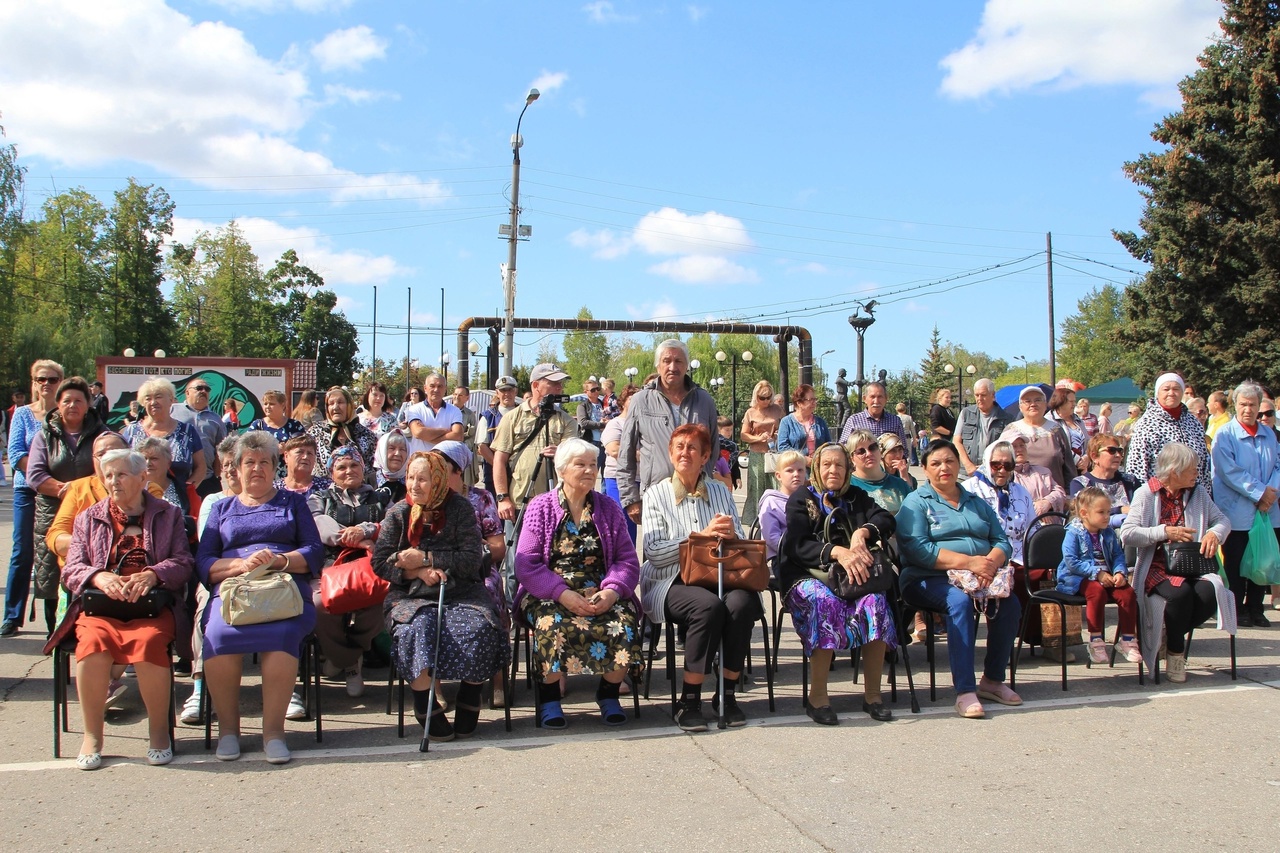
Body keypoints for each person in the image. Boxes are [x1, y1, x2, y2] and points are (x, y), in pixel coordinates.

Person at [54, 448, 193, 769]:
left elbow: (184, 562)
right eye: (108, 475)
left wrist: (153, 574)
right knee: (93, 646)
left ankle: (159, 732)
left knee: (147, 644)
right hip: (102, 607)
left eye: (121, 474)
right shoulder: (88, 517)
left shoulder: (167, 514)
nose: (113, 481)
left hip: (150, 606)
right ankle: (92, 735)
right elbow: (71, 569)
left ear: (143, 477)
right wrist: (99, 576)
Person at [196, 431, 325, 764]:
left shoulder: (293, 503)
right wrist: (240, 564)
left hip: (284, 588)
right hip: (235, 588)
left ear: (274, 468)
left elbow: (313, 550)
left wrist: (280, 560)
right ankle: (228, 731)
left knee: (282, 634)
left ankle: (274, 733)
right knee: (217, 634)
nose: (256, 469)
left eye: (264, 462)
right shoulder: (221, 508)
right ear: (236, 469)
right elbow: (204, 561)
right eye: (249, 462)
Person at [372, 451, 509, 741]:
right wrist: (415, 573)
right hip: (410, 595)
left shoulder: (459, 509)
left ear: (437, 480)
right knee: (416, 630)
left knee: (480, 628)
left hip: (462, 590)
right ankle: (424, 701)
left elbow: (472, 558)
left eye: (422, 479)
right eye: (410, 478)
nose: (414, 485)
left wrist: (426, 557)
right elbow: (380, 562)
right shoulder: (398, 513)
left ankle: (471, 692)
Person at [514, 437, 641, 728]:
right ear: (561, 470)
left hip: (599, 589)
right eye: (580, 464)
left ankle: (608, 694)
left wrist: (612, 591)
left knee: (624, 620)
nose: (588, 470)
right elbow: (526, 563)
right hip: (548, 591)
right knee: (550, 623)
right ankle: (549, 700)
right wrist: (561, 594)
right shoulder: (540, 507)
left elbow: (627, 559)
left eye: (592, 465)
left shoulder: (608, 507)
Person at [639, 424, 759, 731]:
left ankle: (727, 694)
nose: (684, 453)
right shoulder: (656, 494)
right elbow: (653, 552)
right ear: (670, 452)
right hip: (669, 580)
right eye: (679, 447)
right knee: (707, 607)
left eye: (693, 448)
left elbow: (742, 542)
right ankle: (689, 699)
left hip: (718, 575)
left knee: (743, 603)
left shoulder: (720, 490)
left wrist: (732, 535)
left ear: (706, 456)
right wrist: (698, 538)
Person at [897, 440, 1022, 719]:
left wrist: (989, 564)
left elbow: (1002, 540)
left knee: (1009, 604)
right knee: (959, 602)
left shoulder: (975, 501)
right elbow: (918, 549)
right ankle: (965, 690)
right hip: (927, 578)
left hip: (980, 576)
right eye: (936, 463)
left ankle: (992, 680)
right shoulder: (916, 502)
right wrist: (970, 563)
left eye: (950, 461)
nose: (944, 468)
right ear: (926, 470)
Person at [776, 442, 898, 724]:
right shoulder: (801, 498)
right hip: (807, 574)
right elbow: (796, 545)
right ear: (816, 467)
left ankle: (873, 696)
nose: (833, 470)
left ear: (848, 469)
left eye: (840, 465)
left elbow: (884, 519)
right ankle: (817, 698)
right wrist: (837, 551)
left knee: (875, 602)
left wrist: (863, 533)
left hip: (851, 577)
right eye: (827, 464)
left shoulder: (856, 496)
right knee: (825, 603)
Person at [1120, 443, 1232, 683]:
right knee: (1179, 596)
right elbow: (1128, 534)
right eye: (1192, 469)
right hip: (1156, 566)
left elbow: (1222, 520)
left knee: (1210, 591)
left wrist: (1214, 534)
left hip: (1191, 564)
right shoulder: (1146, 494)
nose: (1197, 473)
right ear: (1174, 471)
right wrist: (1164, 532)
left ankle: (1166, 635)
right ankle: (1175, 652)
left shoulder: (1198, 493)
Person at [308, 445, 393, 697]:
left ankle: (346, 657)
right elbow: (318, 523)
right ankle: (348, 659)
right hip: (331, 565)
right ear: (331, 472)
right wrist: (350, 539)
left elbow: (390, 523)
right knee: (319, 604)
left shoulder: (381, 497)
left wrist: (366, 531)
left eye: (354, 465)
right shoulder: (319, 497)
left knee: (385, 600)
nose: (348, 471)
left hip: (372, 567)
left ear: (363, 468)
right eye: (341, 467)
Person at [27, 377, 109, 632]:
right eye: (67, 401)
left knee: (93, 562)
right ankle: (55, 630)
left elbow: (111, 467)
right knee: (50, 573)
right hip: (52, 507)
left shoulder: (102, 433)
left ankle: (93, 625)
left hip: (94, 504)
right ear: (58, 405)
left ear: (88, 404)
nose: (72, 405)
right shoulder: (45, 435)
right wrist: (70, 490)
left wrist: (83, 490)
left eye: (78, 400)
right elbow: (36, 475)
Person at [617, 340, 719, 526]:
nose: (673, 367)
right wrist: (631, 499)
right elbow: (626, 454)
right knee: (658, 552)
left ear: (687, 366)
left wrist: (703, 477)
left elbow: (712, 449)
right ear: (658, 365)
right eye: (667, 361)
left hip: (696, 495)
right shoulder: (641, 401)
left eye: (679, 361)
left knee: (698, 550)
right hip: (656, 495)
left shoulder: (704, 400)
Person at [183, 434, 242, 724]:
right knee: (205, 609)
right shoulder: (213, 501)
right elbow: (210, 545)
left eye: (235, 464)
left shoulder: (267, 496)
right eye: (225, 465)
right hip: (220, 573)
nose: (230, 470)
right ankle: (199, 686)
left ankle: (290, 686)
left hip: (258, 573)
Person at [1211, 382, 1279, 627]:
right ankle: (1236, 609)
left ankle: (1256, 608)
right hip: (1237, 509)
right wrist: (1260, 493)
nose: (1248, 410)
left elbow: (1277, 465)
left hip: (1266, 511)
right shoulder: (1225, 434)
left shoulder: (1268, 433)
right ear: (1235, 405)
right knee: (1237, 562)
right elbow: (1229, 471)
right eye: (1243, 404)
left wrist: (1271, 492)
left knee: (1262, 560)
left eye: (1252, 405)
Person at [962, 441, 1038, 644]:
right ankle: (1001, 646)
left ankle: (1040, 639)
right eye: (996, 465)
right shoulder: (969, 490)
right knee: (1002, 586)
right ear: (987, 463)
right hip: (983, 558)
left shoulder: (1021, 492)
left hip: (1018, 557)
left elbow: (1032, 530)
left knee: (1041, 576)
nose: (1002, 470)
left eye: (1008, 465)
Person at [1057, 487, 1142, 664]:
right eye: (1101, 512)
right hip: (1077, 578)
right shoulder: (1073, 532)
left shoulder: (1108, 532)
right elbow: (1071, 561)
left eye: (1108, 512)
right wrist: (1097, 573)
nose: (1106, 517)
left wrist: (1119, 572)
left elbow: (1118, 555)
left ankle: (1127, 640)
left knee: (1127, 593)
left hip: (1107, 577)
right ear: (1084, 513)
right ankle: (1096, 640)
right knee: (1096, 591)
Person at [492, 363, 579, 521]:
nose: (560, 387)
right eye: (553, 383)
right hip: (520, 501)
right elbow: (499, 460)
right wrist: (502, 498)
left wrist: (560, 454)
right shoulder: (512, 418)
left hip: (557, 501)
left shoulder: (566, 421)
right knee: (519, 545)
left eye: (561, 383)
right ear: (536, 385)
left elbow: (574, 460)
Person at [1124, 373, 1211, 490]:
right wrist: (1145, 499)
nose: (1171, 393)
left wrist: (1206, 494)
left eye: (1176, 389)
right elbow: (1137, 467)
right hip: (1161, 497)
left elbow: (1204, 463)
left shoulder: (1193, 423)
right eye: (1166, 389)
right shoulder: (1146, 424)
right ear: (1157, 393)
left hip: (1194, 495)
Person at [121, 378, 206, 491]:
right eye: (148, 398)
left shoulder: (187, 432)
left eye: (158, 397)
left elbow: (201, 467)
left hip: (178, 501)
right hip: (138, 501)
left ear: (171, 399)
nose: (153, 402)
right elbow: (122, 466)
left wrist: (187, 491)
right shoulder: (132, 431)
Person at [999, 385, 1076, 491]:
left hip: (1054, 497)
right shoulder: (1010, 430)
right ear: (1020, 407)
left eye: (1038, 400)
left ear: (1045, 405)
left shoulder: (1056, 430)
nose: (1033, 404)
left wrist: (1069, 495)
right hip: (1017, 497)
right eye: (1027, 401)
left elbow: (1069, 468)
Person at [170, 377, 228, 499]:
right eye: (199, 388)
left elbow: (221, 449)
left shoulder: (216, 419)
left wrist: (217, 474)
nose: (203, 391)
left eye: (207, 389)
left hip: (207, 479)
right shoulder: (173, 410)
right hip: (175, 478)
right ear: (187, 392)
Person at [740, 380, 785, 527]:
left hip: (773, 454)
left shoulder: (777, 409)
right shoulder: (750, 412)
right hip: (757, 454)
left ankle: (777, 518)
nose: (766, 401)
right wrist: (758, 438)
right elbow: (743, 435)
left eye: (768, 397)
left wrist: (777, 435)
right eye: (762, 398)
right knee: (757, 487)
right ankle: (757, 521)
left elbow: (785, 428)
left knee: (776, 485)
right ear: (756, 397)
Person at [1069, 433, 1139, 526]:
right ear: (1094, 456)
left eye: (1120, 451)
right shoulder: (1081, 484)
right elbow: (1084, 517)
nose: (1118, 455)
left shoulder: (1130, 481)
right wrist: (1120, 510)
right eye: (1112, 450)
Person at [308, 386, 379, 475]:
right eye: (331, 403)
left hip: (357, 487)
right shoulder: (316, 432)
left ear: (349, 405)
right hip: (323, 487)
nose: (335, 407)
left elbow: (373, 469)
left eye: (340, 402)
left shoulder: (366, 435)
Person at [601, 385, 639, 543]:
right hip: (618, 480)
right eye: (632, 397)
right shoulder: (615, 424)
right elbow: (614, 450)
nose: (636, 399)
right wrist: (644, 456)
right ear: (622, 402)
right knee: (622, 527)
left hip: (641, 479)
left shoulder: (643, 423)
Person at [846, 430, 912, 516]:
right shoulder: (847, 486)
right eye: (861, 451)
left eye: (872, 447)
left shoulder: (900, 484)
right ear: (852, 458)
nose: (869, 454)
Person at [758, 450, 808, 560]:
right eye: (790, 470)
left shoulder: (809, 498)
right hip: (784, 558)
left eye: (800, 470)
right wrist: (799, 553)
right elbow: (771, 538)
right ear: (779, 476)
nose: (796, 474)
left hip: (809, 554)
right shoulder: (771, 502)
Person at [954, 379, 1010, 477]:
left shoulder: (1006, 418)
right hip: (966, 473)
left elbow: (1008, 448)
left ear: (993, 395)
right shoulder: (966, 413)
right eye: (977, 395)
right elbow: (956, 441)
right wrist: (968, 465)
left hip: (993, 474)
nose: (979, 398)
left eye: (983, 395)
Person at [477, 375, 519, 498]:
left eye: (510, 390)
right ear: (497, 393)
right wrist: (501, 467)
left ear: (515, 391)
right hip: (493, 475)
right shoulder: (487, 417)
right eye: (503, 390)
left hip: (520, 475)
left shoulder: (525, 414)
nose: (507, 394)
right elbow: (482, 447)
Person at [247, 390, 306, 475]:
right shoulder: (257, 426)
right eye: (265, 404)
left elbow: (304, 446)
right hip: (263, 474)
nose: (267, 407)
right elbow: (247, 448)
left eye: (271, 404)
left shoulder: (295, 425)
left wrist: (287, 448)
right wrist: (272, 449)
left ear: (282, 405)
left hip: (290, 475)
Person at [404, 373, 464, 452]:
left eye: (440, 386)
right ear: (425, 388)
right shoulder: (414, 409)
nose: (436, 390)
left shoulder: (454, 411)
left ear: (445, 389)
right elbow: (418, 432)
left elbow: (458, 436)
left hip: (446, 461)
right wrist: (445, 431)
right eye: (432, 386)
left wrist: (427, 436)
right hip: (420, 461)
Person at [837, 381, 907, 446]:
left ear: (886, 399)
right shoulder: (853, 421)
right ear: (864, 399)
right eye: (872, 397)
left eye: (880, 397)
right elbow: (844, 447)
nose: (876, 401)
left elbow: (903, 449)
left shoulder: (895, 421)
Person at [136, 436, 190, 512]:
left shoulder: (187, 490)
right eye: (144, 459)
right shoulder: (133, 490)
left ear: (168, 463)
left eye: (154, 458)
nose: (148, 463)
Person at [777, 384, 831, 457]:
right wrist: (804, 459)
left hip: (818, 466)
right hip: (796, 466)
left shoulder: (820, 422)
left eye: (815, 399)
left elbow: (828, 445)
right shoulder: (786, 422)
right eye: (810, 400)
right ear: (799, 403)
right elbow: (783, 447)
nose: (814, 402)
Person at [276, 433, 331, 498]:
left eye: (309, 453)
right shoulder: (273, 490)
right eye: (300, 452)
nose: (305, 457)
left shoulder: (327, 487)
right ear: (286, 456)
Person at [1048, 386, 1088, 469]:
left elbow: (1087, 442)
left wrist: (1086, 458)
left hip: (1083, 467)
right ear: (1061, 402)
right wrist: (1077, 460)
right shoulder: (1050, 421)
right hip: (1062, 469)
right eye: (1071, 401)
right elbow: (1056, 446)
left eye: (1074, 401)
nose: (1074, 404)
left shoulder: (1078, 420)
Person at [575, 379, 607, 469]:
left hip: (606, 442)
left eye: (598, 389)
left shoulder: (605, 404)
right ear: (586, 392)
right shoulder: (582, 406)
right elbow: (583, 423)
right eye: (593, 390)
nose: (596, 391)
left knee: (607, 474)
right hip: (592, 442)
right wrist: (601, 425)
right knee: (591, 472)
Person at [451, 386, 479, 486]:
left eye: (460, 395)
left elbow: (472, 436)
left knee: (464, 487)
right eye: (455, 394)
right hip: (447, 455)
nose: (456, 397)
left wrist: (461, 449)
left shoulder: (470, 415)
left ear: (467, 398)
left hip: (463, 455)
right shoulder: (445, 411)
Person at [374, 428, 410, 502]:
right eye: (392, 448)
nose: (397, 453)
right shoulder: (368, 481)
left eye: (402, 449)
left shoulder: (411, 483)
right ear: (381, 452)